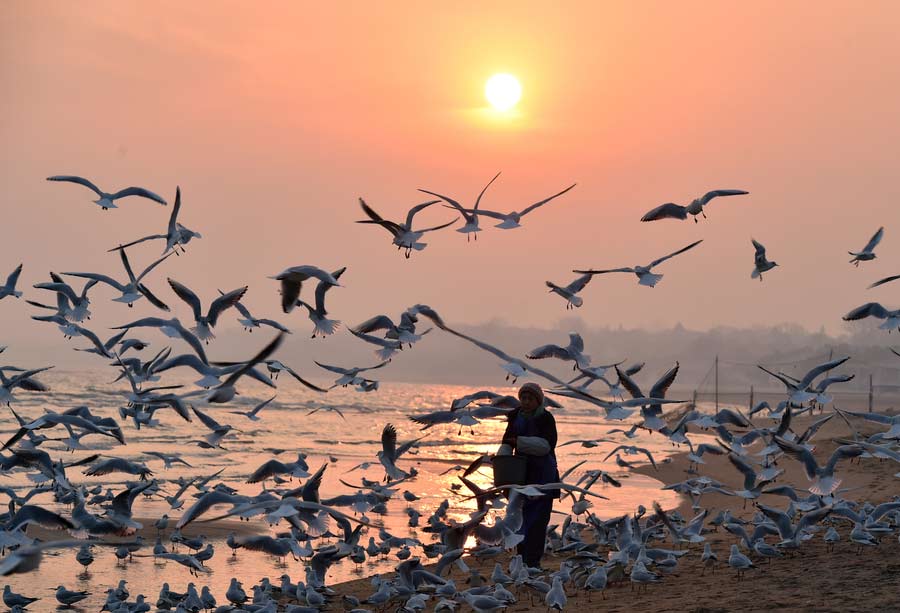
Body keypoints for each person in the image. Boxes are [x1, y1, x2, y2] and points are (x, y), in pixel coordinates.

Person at [497, 382, 560, 569]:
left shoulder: (546, 418)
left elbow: (547, 445)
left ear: (537, 400)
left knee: (538, 521)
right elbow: (507, 441)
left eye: (529, 398)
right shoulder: (515, 416)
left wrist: (519, 442)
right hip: (520, 474)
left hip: (543, 474)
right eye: (522, 398)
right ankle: (521, 559)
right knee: (519, 519)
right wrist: (501, 461)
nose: (525, 402)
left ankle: (533, 562)